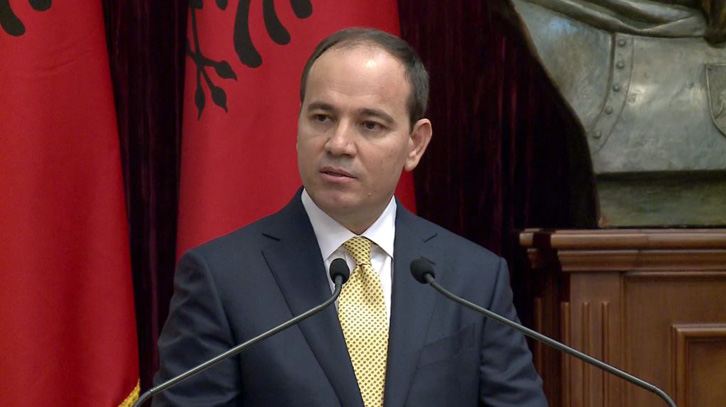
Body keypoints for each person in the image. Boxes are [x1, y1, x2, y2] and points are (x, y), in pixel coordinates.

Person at [153, 28, 547, 407]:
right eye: (322, 118)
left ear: (415, 144)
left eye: (369, 125)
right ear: (298, 123)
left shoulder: (473, 280)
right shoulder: (221, 279)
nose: (339, 144)